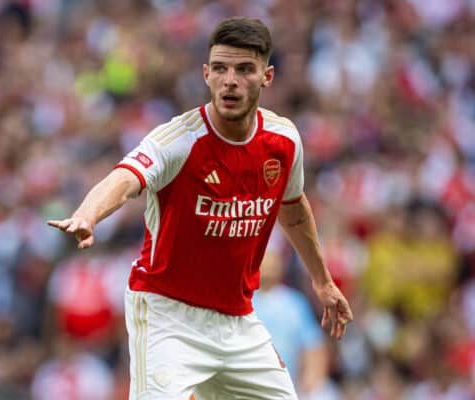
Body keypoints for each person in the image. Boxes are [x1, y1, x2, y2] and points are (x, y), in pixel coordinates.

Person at [48, 16, 353, 400]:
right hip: (168, 315)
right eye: (221, 69)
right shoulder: (179, 139)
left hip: (238, 319)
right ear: (206, 75)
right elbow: (124, 178)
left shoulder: (284, 140)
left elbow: (292, 208)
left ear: (267, 76)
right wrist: (88, 214)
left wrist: (322, 281)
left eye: (245, 70)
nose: (231, 80)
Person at [253, 246, 336, 399]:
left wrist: (312, 377)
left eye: (273, 263)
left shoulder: (294, 303)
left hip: (288, 384)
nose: (269, 267)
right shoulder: (245, 302)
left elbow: (314, 345)